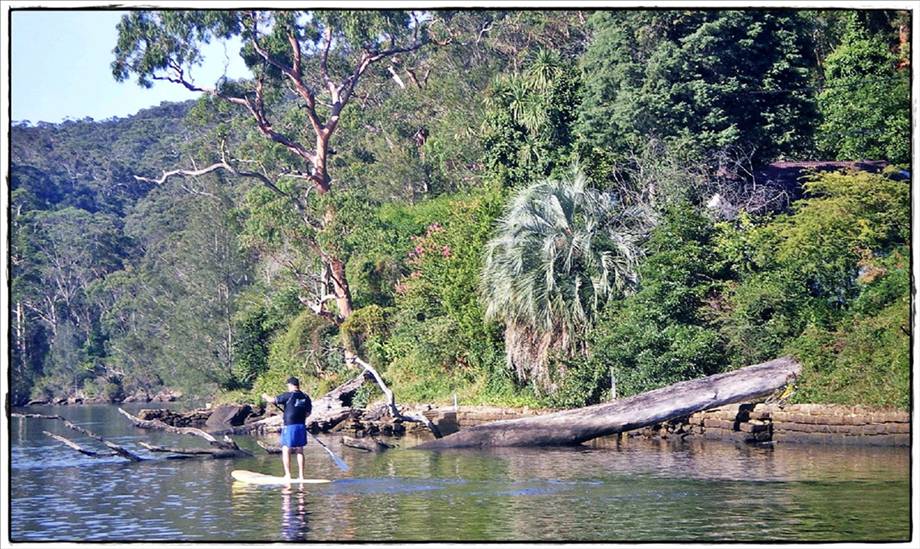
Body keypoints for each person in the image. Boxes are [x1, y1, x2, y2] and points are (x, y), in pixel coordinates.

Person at [262, 377, 312, 480]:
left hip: (289, 426)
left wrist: (265, 396)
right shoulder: (305, 397)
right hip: (301, 425)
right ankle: (301, 476)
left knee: (286, 449)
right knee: (300, 450)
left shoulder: (288, 395)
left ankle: (288, 475)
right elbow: (308, 413)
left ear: (290, 385)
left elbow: (272, 400)